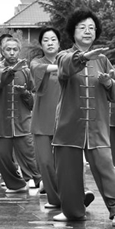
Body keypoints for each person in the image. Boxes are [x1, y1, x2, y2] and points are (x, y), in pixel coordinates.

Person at [51, 9, 115, 227]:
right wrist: (83, 57)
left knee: (105, 167)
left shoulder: (103, 60)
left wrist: (109, 83)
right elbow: (66, 68)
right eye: (82, 27)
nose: (87, 31)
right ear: (73, 32)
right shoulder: (63, 56)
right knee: (68, 173)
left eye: (91, 27)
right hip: (69, 124)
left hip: (97, 125)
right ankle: (72, 212)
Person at [30, 27, 88, 209]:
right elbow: (38, 70)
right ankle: (55, 199)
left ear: (59, 42)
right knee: (45, 163)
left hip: (65, 120)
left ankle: (78, 195)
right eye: (46, 40)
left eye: (53, 39)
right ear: (41, 45)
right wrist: (64, 66)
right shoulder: (36, 63)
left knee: (69, 163)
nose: (50, 43)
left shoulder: (66, 58)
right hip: (42, 121)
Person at [0, 34, 41, 192]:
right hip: (1, 122)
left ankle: (44, 183)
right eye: (8, 49)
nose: (12, 52)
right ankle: (16, 184)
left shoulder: (26, 70)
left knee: (31, 156)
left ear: (19, 51)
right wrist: (11, 71)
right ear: (2, 51)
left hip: (22, 121)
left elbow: (34, 97)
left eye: (15, 49)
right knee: (2, 156)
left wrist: (25, 93)